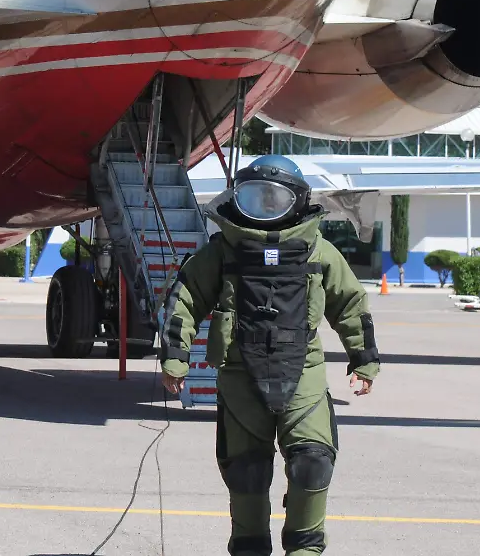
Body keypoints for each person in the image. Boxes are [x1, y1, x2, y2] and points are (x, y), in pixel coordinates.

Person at [159, 155, 380, 556]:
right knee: (245, 472)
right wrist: (176, 358)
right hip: (240, 378)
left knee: (313, 461)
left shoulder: (319, 252)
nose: (265, 205)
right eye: (254, 197)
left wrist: (363, 360)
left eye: (274, 198)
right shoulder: (223, 252)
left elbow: (351, 305)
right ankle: (249, 548)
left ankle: (305, 549)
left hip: (305, 376)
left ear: (296, 200)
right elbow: (184, 299)